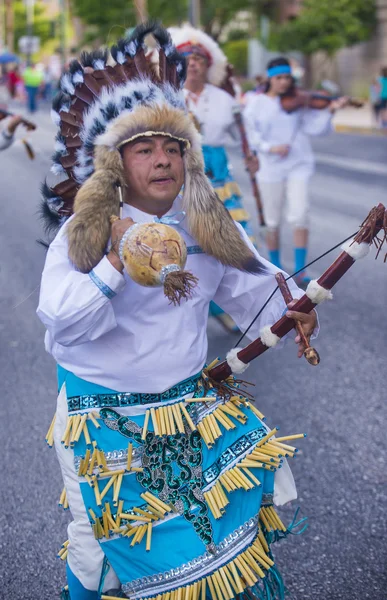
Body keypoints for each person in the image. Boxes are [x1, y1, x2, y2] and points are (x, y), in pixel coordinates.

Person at [37, 24, 317, 600]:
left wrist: (296, 307)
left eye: (173, 147)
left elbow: (253, 291)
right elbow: (62, 320)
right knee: (101, 553)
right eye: (145, 148)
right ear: (117, 163)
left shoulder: (206, 226)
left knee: (201, 536)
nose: (162, 160)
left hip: (179, 411)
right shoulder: (84, 231)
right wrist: (115, 261)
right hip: (99, 416)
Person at [169, 25, 258, 332]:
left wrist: (253, 154)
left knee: (231, 237)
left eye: (199, 58)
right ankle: (190, 309)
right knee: (188, 241)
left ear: (208, 65)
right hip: (181, 176)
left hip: (219, 176)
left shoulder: (225, 99)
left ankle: (227, 307)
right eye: (187, 58)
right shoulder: (167, 97)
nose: (193, 63)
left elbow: (245, 136)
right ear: (177, 64)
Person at [244, 56, 348, 286]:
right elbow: (251, 135)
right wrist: (270, 148)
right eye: (279, 78)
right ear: (271, 79)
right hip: (269, 166)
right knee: (271, 221)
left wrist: (330, 110)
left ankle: (300, 270)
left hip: (298, 164)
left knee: (300, 215)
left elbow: (316, 128)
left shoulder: (299, 101)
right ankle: (276, 268)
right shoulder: (256, 103)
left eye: (287, 78)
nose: (283, 82)